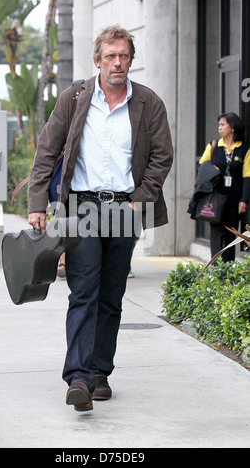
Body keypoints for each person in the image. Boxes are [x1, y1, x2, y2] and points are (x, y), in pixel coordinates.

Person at [28, 25, 173, 411]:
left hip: (125, 207)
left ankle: (100, 372)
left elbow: (162, 156)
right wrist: (37, 202)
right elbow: (48, 149)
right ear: (97, 60)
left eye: (124, 56)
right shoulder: (75, 98)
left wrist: (140, 200)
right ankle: (78, 377)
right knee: (84, 289)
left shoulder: (148, 103)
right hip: (82, 207)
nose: (117, 63)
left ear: (131, 60)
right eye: (110, 56)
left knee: (111, 293)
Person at [199, 112, 250, 261]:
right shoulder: (214, 146)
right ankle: (215, 269)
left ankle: (226, 268)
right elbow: (202, 165)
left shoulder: (244, 149)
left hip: (234, 201)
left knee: (230, 236)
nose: (219, 128)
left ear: (232, 128)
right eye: (219, 125)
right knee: (215, 235)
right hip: (215, 199)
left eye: (223, 124)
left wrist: (244, 200)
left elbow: (247, 176)